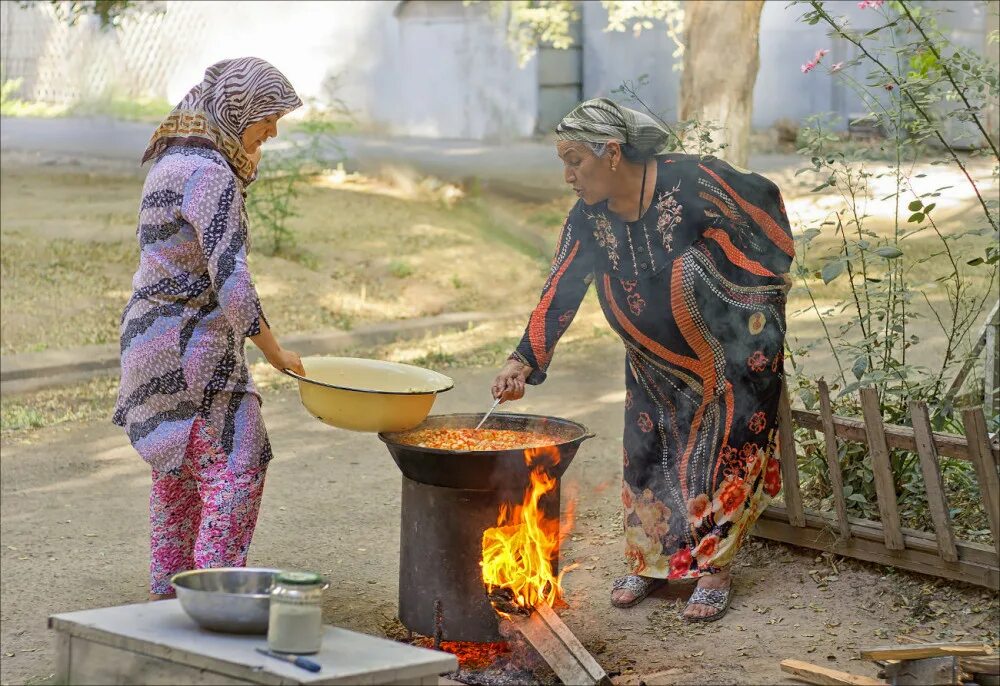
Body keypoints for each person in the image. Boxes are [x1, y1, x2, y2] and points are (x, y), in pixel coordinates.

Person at [492, 98, 794, 621]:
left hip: (729, 353)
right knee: (646, 448)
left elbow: (764, 208)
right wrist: (523, 359)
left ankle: (713, 569)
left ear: (611, 153)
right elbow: (562, 287)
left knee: (720, 448)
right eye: (562, 162)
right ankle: (654, 562)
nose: (568, 176)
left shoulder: (693, 180)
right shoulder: (589, 217)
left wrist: (749, 289)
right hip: (652, 357)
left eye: (574, 161)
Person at [113, 57, 307, 601]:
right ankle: (210, 600)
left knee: (178, 474)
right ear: (237, 110)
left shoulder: (174, 161)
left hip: (148, 338)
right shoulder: (211, 175)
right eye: (267, 118)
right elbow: (233, 280)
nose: (272, 131)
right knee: (238, 462)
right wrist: (276, 351)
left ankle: (168, 599)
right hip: (187, 348)